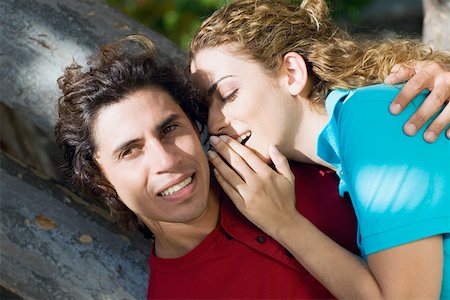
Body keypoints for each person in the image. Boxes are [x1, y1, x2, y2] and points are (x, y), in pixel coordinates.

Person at [54, 36, 362, 299]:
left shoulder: (285, 157)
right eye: (130, 151)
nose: (166, 160)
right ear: (100, 180)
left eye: (169, 130)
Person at [189, 0, 450, 298]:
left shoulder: (371, 115)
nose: (214, 123)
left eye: (228, 94)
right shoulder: (340, 156)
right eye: (204, 109)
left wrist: (284, 224)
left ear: (292, 72)